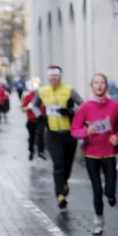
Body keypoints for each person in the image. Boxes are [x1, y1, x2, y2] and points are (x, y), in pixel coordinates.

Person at [70, 73, 118, 236]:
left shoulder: (114, 106)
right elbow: (74, 130)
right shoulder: (85, 107)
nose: (99, 86)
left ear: (106, 87)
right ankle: (98, 222)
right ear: (92, 86)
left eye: (102, 83)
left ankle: (111, 195)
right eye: (96, 83)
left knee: (109, 189)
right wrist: (86, 131)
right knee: (96, 190)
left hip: (109, 152)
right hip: (91, 154)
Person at [32, 66, 83, 210]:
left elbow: (83, 106)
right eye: (51, 76)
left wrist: (70, 110)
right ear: (48, 78)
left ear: (60, 77)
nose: (54, 78)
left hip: (69, 133)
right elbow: (33, 105)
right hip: (53, 134)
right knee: (58, 165)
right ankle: (60, 195)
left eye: (56, 76)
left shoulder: (69, 90)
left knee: (67, 166)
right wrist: (40, 117)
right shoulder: (42, 91)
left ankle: (64, 182)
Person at [21, 85, 46, 160]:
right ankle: (31, 151)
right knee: (31, 137)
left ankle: (40, 152)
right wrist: (29, 107)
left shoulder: (44, 96)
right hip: (31, 120)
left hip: (41, 120)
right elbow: (23, 109)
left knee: (40, 134)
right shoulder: (28, 96)